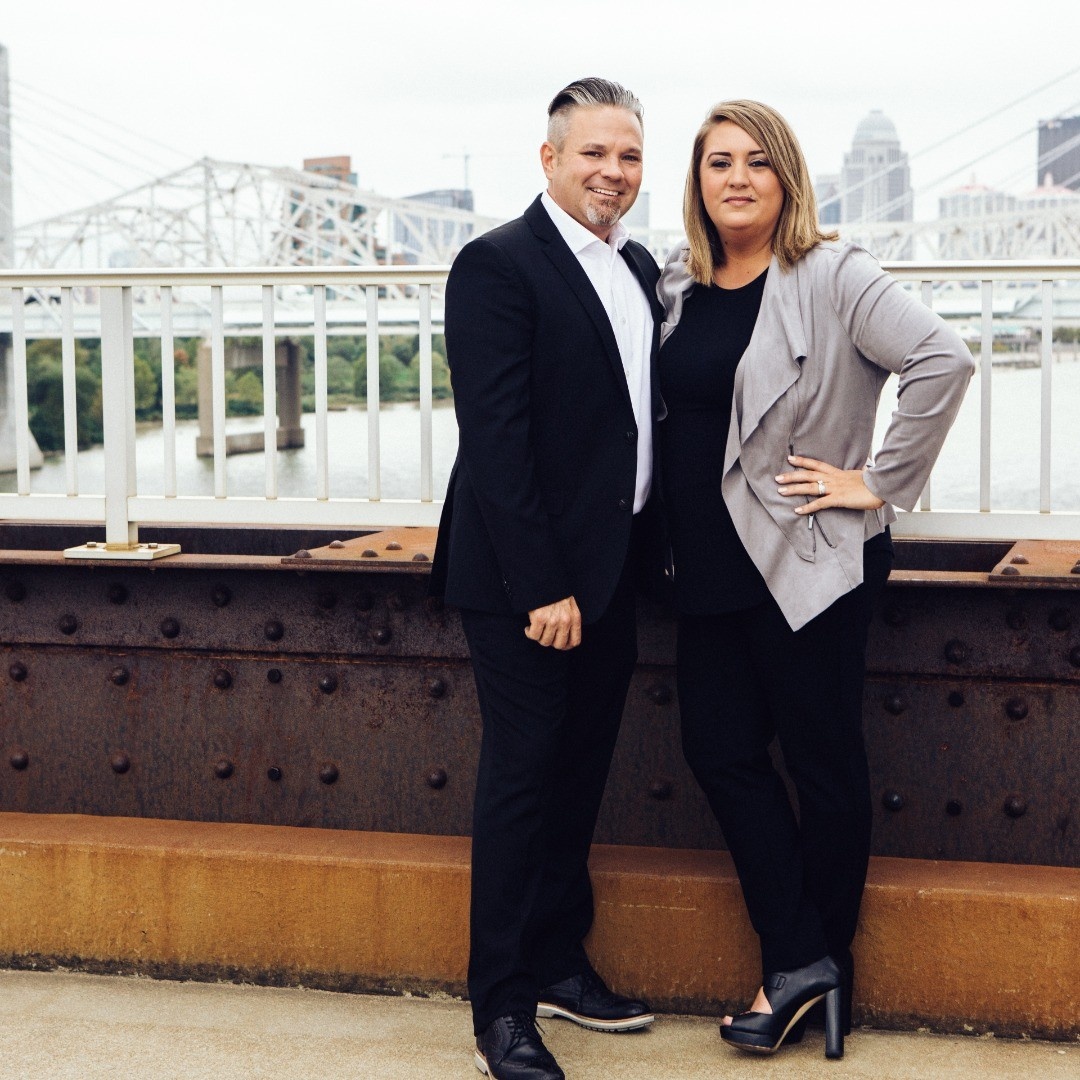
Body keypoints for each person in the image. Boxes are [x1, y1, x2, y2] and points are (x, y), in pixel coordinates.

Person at [656, 100, 973, 1061]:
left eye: (758, 161)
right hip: (707, 562)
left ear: (787, 177)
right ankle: (803, 957)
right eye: (719, 162)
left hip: (805, 557)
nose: (737, 178)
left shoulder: (833, 274)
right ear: (698, 180)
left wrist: (876, 482)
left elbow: (943, 358)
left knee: (823, 763)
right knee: (719, 751)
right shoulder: (677, 282)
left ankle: (810, 967)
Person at [430, 77, 664, 1080]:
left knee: (579, 778)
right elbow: (497, 440)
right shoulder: (498, 264)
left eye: (629, 155)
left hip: (613, 571)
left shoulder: (638, 263)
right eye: (593, 153)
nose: (613, 171)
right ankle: (502, 1007)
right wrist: (541, 586)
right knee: (522, 785)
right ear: (550, 159)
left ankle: (560, 962)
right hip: (526, 583)